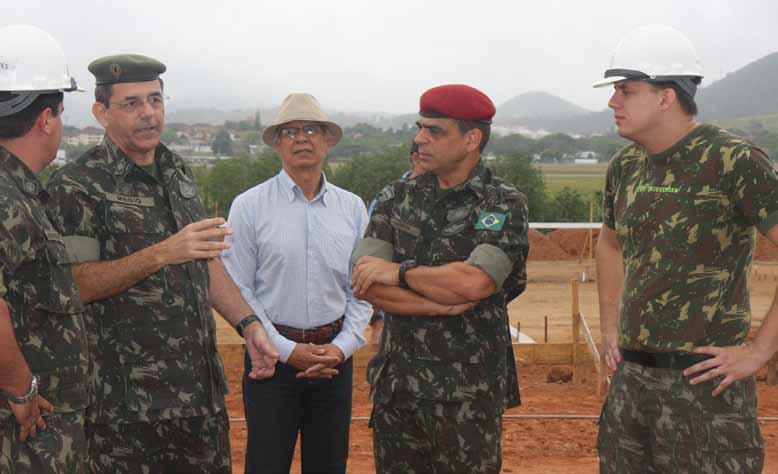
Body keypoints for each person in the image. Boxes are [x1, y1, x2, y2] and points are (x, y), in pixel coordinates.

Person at [45, 54, 278, 474]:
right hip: (123, 410)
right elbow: (74, 284)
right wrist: (160, 253)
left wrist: (249, 324)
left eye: (155, 99)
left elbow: (203, 261)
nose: (148, 113)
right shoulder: (78, 184)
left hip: (198, 401)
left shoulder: (178, 171)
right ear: (101, 112)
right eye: (131, 103)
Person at [594, 24, 778, 473]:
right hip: (632, 384)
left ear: (666, 96)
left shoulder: (734, 160)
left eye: (626, 90)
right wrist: (610, 326)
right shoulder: (625, 165)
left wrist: (758, 351)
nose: (613, 102)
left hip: (703, 388)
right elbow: (610, 243)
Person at [351, 84, 529, 474]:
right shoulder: (396, 195)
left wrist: (399, 272)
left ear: (472, 139)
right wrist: (440, 299)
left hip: (467, 397)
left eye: (435, 131)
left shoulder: (501, 203)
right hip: (397, 392)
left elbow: (474, 284)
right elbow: (366, 282)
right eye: (420, 128)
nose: (420, 139)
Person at [222, 93, 372, 474]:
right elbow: (239, 288)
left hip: (334, 363)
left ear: (327, 140)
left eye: (311, 129)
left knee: (329, 465)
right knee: (266, 465)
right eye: (290, 131)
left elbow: (363, 288)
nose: (301, 137)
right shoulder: (249, 207)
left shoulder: (352, 208)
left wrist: (340, 348)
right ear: (277, 143)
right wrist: (287, 350)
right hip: (269, 363)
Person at [0, 25, 86, 474]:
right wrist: (20, 389)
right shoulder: (5, 194)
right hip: (22, 436)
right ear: (47, 118)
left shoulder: (18, 189)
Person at [366, 142, 427, 347]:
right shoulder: (389, 198)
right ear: (414, 157)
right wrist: (377, 320)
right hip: (396, 313)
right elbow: (370, 265)